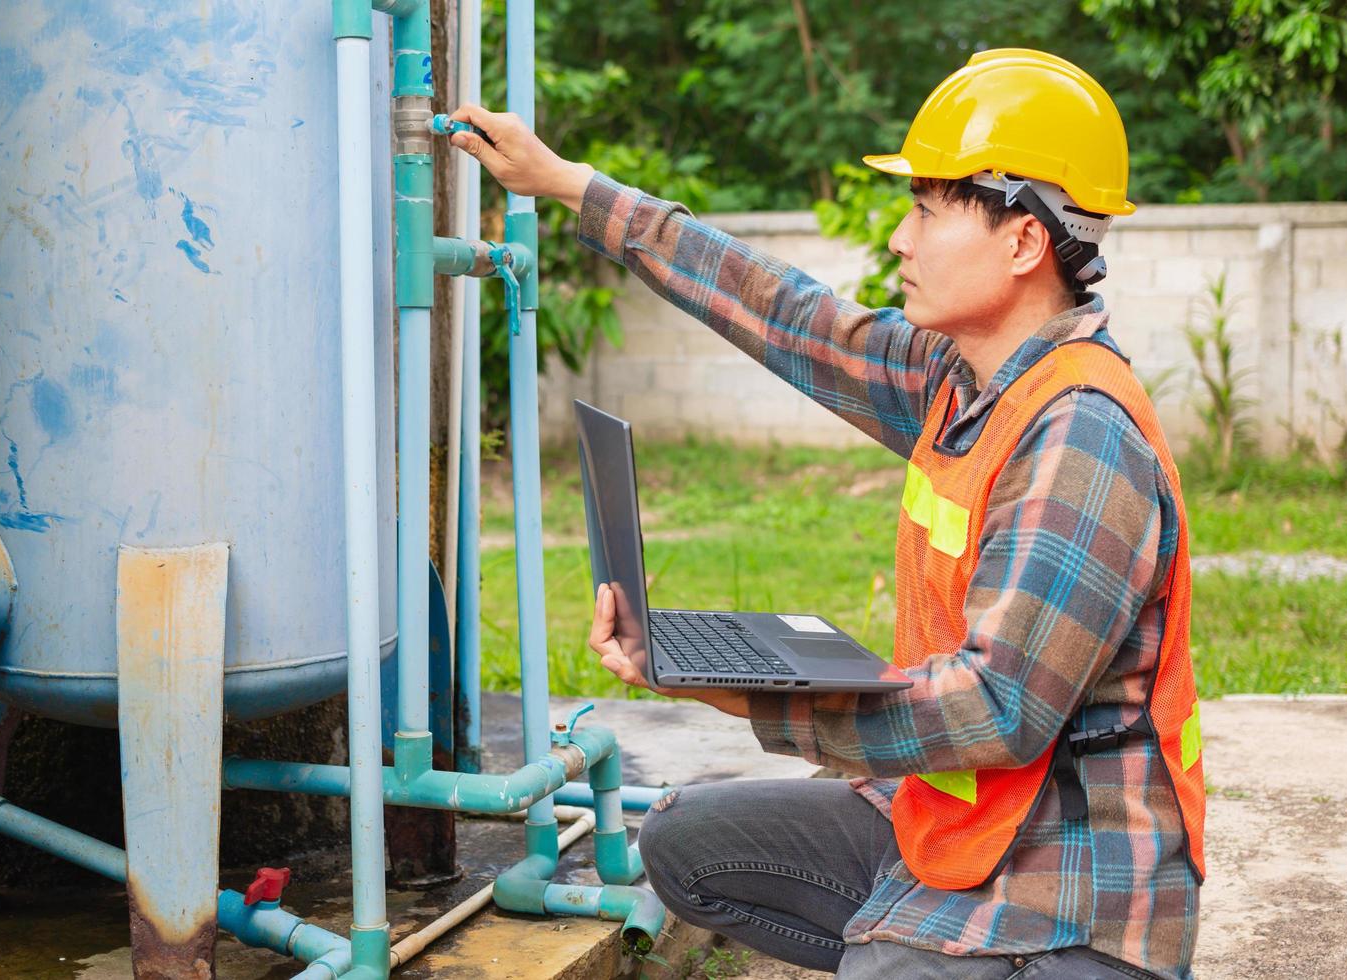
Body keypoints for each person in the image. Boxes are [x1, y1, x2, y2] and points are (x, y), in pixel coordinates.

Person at [444, 48, 1204, 980]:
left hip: (1071, 888)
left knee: (886, 967)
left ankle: (917, 951)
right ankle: (905, 937)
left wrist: (759, 702)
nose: (899, 239)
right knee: (688, 841)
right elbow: (789, 315)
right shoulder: (956, 378)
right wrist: (570, 185)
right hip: (951, 822)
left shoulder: (1079, 436)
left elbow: (996, 710)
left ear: (1022, 243)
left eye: (927, 211)